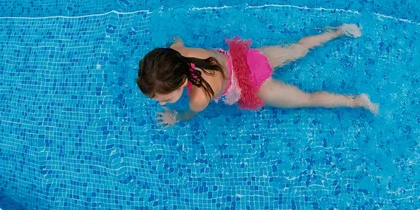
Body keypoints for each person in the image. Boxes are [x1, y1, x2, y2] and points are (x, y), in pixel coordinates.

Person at [136, 24, 378, 127]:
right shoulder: (177, 51)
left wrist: (175, 117)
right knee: (298, 48)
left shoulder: (199, 97)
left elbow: (187, 115)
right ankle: (337, 32)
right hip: (248, 59)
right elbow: (175, 41)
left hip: (255, 85)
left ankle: (355, 101)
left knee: (306, 99)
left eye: (164, 97)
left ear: (180, 81)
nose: (163, 102)